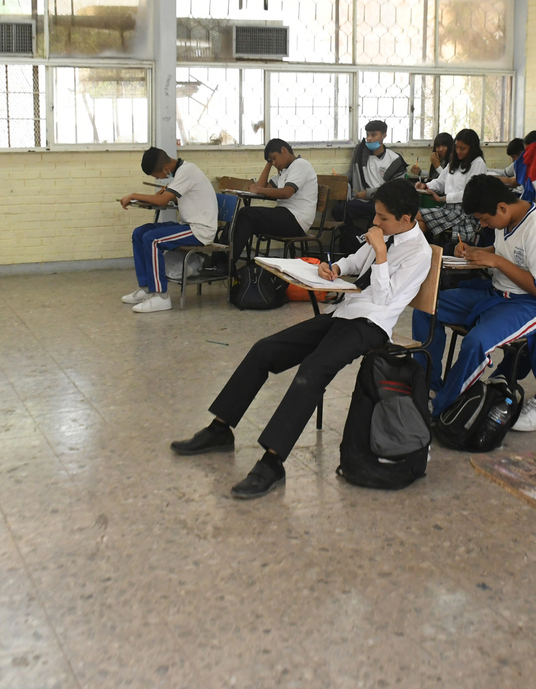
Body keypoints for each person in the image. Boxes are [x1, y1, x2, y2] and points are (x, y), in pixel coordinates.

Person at [169, 181, 431, 498]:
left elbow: (384, 298)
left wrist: (381, 253)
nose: (375, 222)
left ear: (406, 219)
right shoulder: (384, 233)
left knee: (312, 370)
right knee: (264, 350)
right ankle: (219, 429)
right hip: (343, 313)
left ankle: (272, 463)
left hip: (371, 324)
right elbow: (354, 260)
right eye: (375, 215)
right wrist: (334, 267)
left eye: (383, 218)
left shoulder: (419, 253)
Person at [412, 175, 536, 432]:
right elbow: (505, 252)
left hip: (533, 303)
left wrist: (497, 262)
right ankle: (430, 387)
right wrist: (478, 252)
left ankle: (442, 405)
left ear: (501, 207)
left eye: (484, 219)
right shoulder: (506, 218)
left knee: (476, 342)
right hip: (499, 293)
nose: (483, 224)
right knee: (427, 307)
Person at [118, 147, 219, 314]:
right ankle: (147, 288)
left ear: (165, 168)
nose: (159, 179)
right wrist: (160, 194)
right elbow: (167, 198)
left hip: (200, 230)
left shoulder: (187, 171)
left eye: (157, 176)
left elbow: (162, 201)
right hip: (187, 225)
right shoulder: (180, 172)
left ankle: (161, 297)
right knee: (140, 233)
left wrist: (134, 195)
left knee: (152, 239)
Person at [229, 139, 318, 263]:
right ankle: (220, 260)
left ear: (284, 150)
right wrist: (269, 163)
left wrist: (259, 189)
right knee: (236, 217)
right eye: (271, 161)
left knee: (246, 214)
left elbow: (286, 193)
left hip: (297, 220)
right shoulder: (284, 172)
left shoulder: (300, 165)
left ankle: (226, 264)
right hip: (285, 215)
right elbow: (262, 187)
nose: (274, 163)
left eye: (274, 158)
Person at [416, 129, 488, 244]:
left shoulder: (477, 163)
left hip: (464, 212)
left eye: (462, 149)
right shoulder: (454, 162)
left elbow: (470, 193)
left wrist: (443, 199)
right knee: (419, 224)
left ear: (472, 148)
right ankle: (418, 249)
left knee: (415, 215)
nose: (458, 151)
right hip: (448, 209)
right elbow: (440, 182)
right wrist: (425, 186)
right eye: (456, 147)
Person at [335, 120, 407, 227]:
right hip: (360, 201)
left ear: (384, 136)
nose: (369, 138)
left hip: (383, 203)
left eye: (373, 135)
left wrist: (369, 193)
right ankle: (354, 234)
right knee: (338, 210)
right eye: (367, 135)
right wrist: (340, 179)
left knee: (388, 215)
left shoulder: (394, 160)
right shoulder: (359, 151)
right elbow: (351, 173)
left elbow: (396, 189)